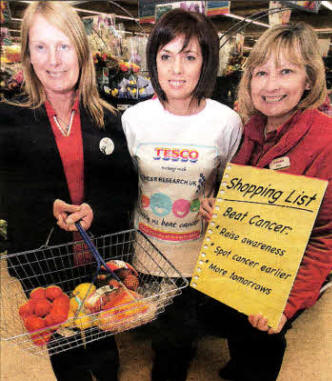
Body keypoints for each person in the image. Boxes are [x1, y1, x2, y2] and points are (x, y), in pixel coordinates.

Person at [0, 2, 137, 381]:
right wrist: (48, 205)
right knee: (64, 350)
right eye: (40, 47)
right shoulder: (8, 119)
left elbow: (124, 188)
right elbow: (5, 191)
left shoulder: (109, 118)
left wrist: (97, 209)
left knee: (103, 343)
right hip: (43, 264)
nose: (54, 60)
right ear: (27, 54)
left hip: (99, 262)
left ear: (81, 50)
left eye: (63, 46)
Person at [200, 22, 332, 381]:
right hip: (242, 271)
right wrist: (220, 211)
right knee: (240, 337)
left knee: (263, 345)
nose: (271, 84)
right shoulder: (251, 130)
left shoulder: (325, 141)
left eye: (286, 71)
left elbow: (326, 238)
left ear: (308, 79)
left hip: (284, 282)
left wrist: (286, 307)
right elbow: (246, 206)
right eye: (261, 72)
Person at [121, 8, 242, 381]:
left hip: (196, 257)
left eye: (189, 57)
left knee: (180, 337)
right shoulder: (133, 119)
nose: (176, 69)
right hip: (146, 252)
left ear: (205, 63)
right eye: (166, 56)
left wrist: (220, 203)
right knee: (160, 335)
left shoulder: (226, 122)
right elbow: (123, 185)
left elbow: (229, 184)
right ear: (153, 61)